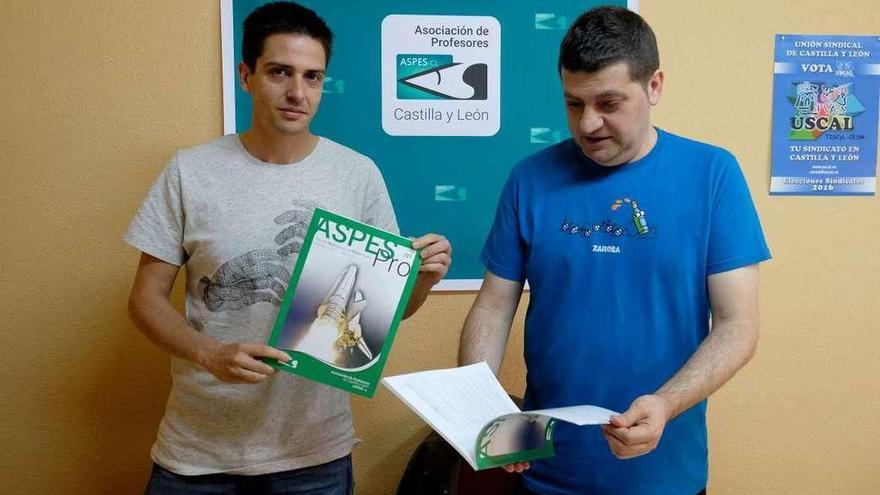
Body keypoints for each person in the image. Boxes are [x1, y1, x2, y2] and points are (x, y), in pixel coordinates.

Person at [124, 2, 451, 493]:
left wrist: (420, 280)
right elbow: (144, 300)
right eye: (280, 72)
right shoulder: (189, 171)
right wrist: (207, 352)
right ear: (246, 75)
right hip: (198, 454)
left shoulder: (357, 175)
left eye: (312, 76)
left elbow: (385, 316)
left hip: (314, 455)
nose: (298, 92)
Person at [458, 6, 770, 495]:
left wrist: (665, 404)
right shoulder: (530, 178)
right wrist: (477, 403)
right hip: (543, 472)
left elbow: (739, 326)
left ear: (655, 86)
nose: (588, 123)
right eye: (573, 104)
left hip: (664, 475)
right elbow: (494, 306)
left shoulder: (712, 175)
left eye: (608, 102)